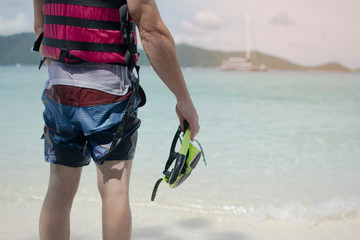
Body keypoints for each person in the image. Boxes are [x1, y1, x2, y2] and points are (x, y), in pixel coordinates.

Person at [32, 0, 200, 239]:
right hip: (109, 87)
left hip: (59, 84)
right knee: (114, 187)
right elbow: (152, 32)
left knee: (58, 184)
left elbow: (40, 27)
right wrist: (184, 100)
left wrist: (63, 75)